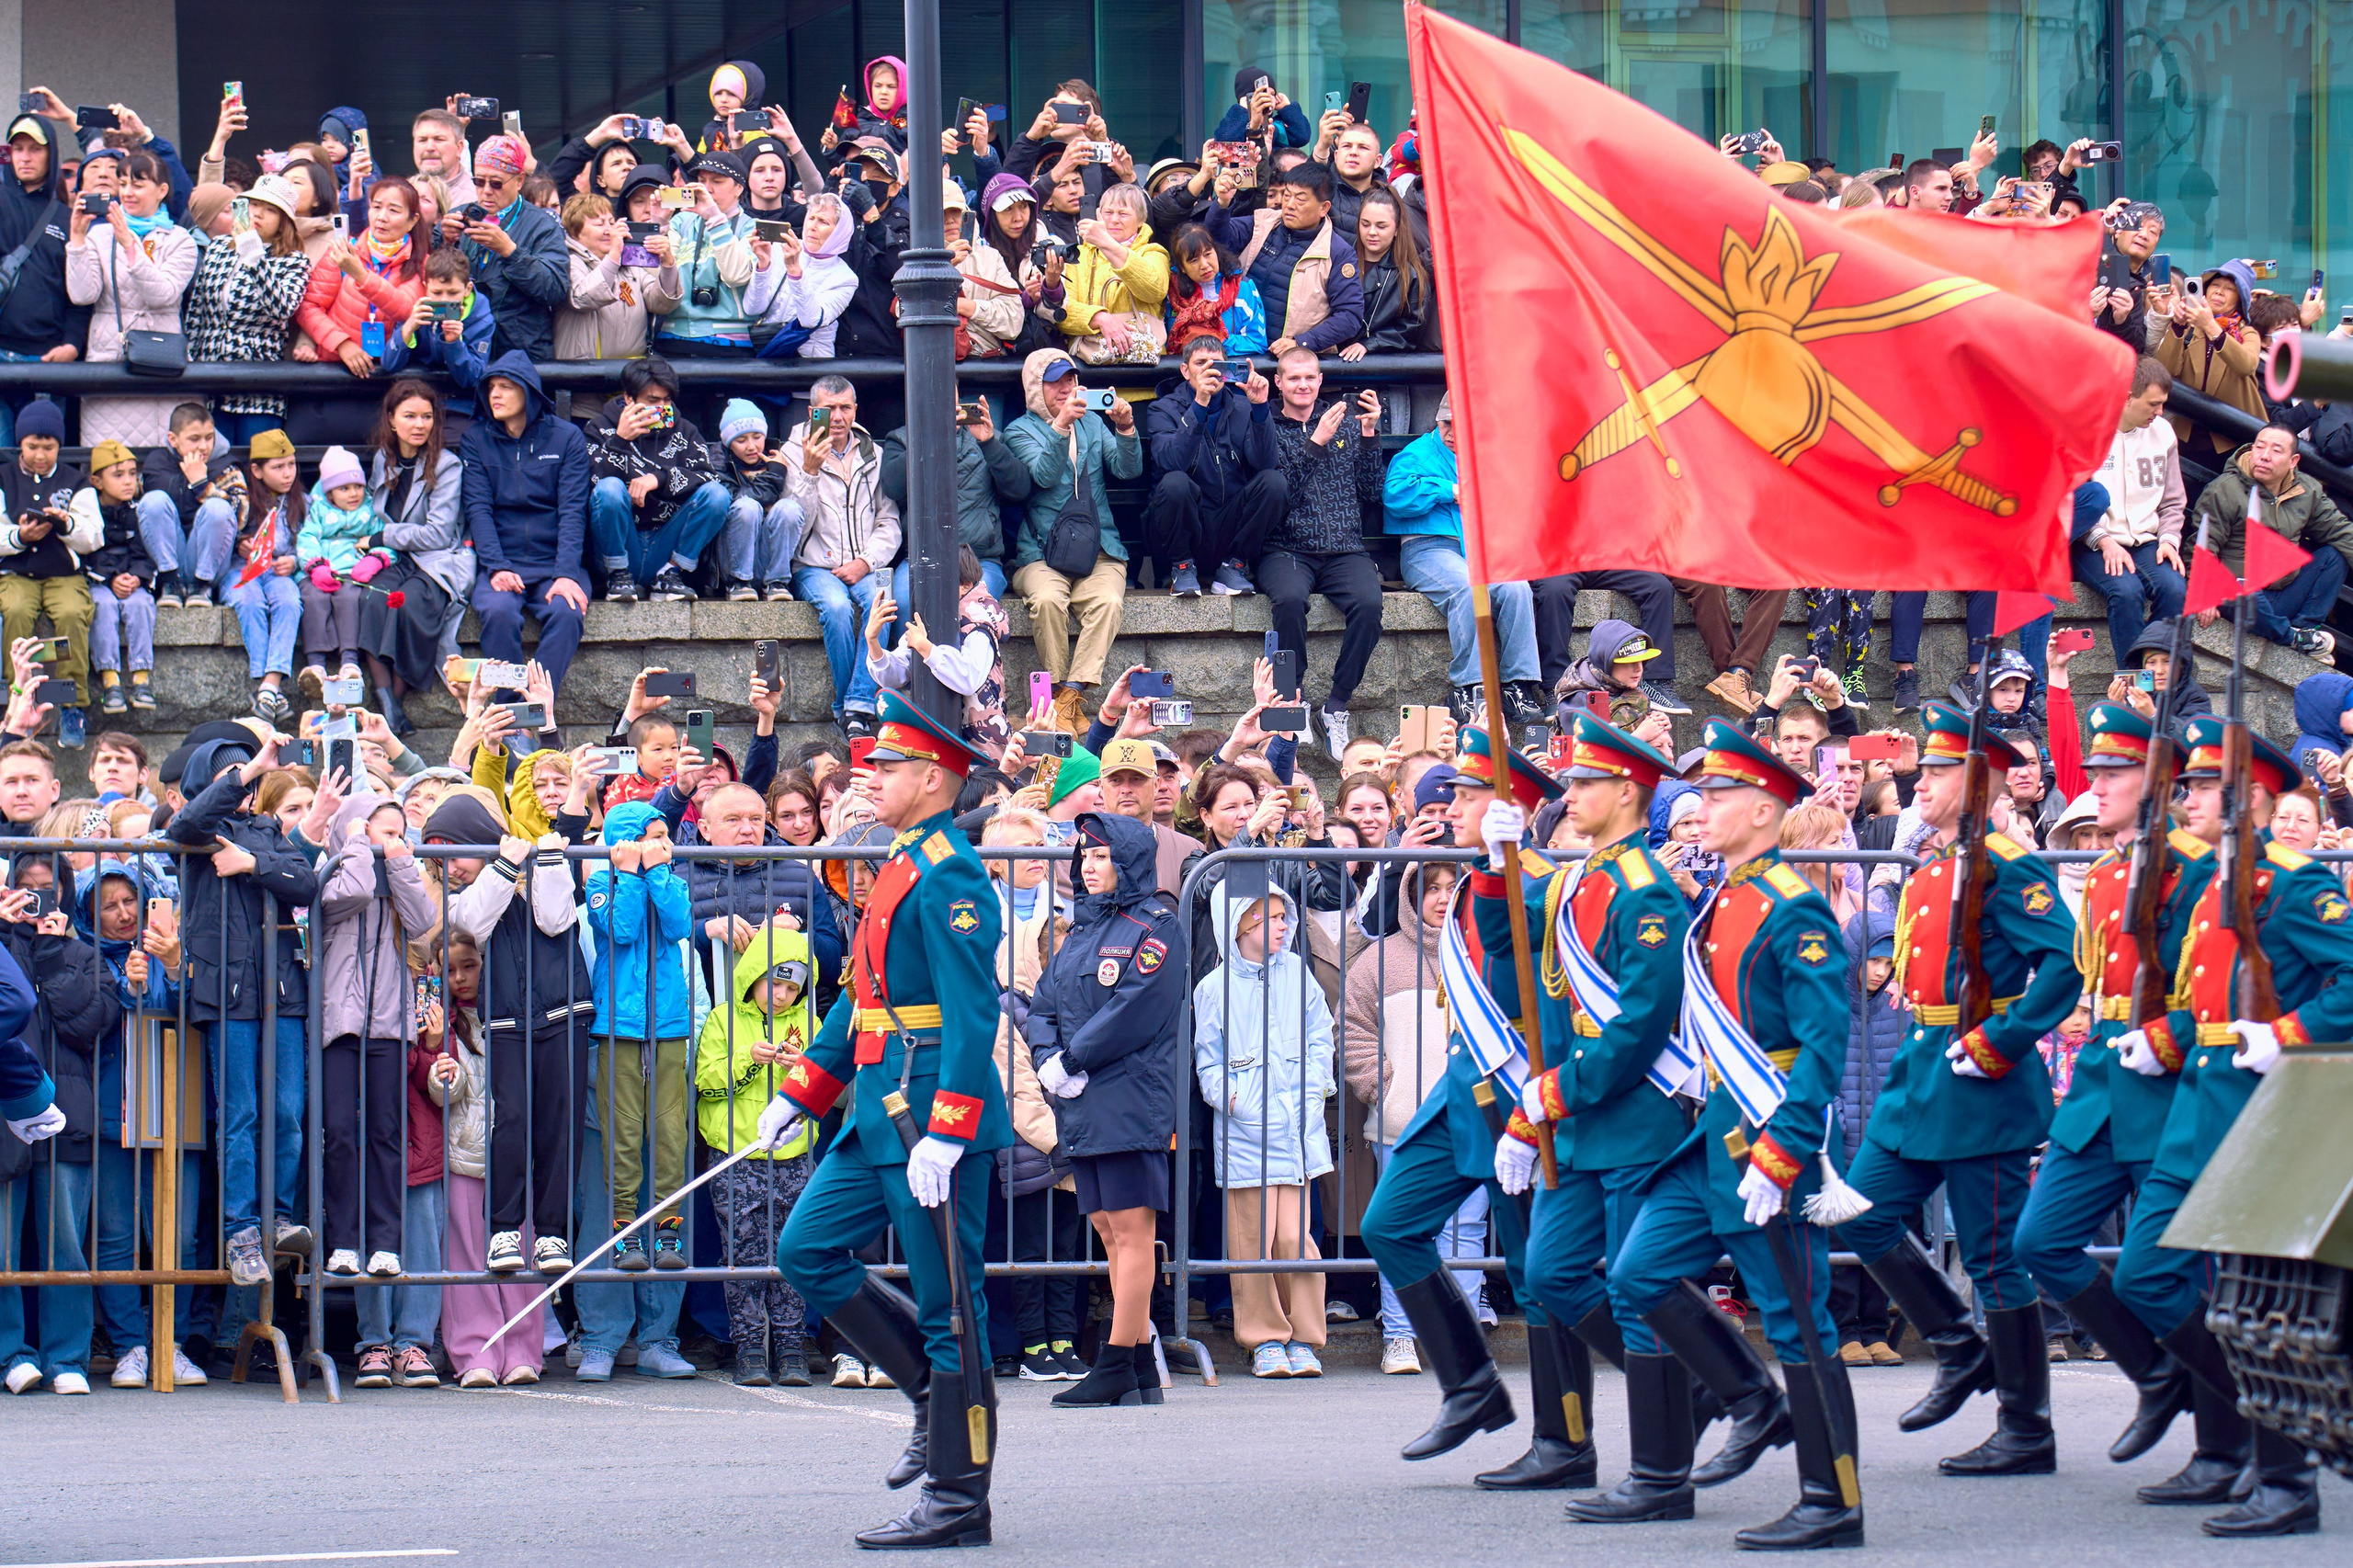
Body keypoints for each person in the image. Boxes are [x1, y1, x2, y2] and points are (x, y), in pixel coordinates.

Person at [1604, 719, 1861, 1548]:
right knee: (1640, 1275)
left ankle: (1834, 1500)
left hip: (1767, 1140)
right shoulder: (1724, 895)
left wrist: (1787, 1148)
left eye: (1718, 795)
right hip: (1714, 1135)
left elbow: (1824, 1044)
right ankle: (1753, 1401)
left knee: (1799, 1321)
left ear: (1762, 811)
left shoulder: (1794, 908)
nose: (1701, 805)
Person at [765, 691, 1009, 1550]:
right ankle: (925, 1394)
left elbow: (972, 1013)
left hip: (928, 1114)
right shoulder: (903, 858)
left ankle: (958, 1497)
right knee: (806, 1251)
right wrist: (799, 1093)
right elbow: (862, 1000)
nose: (873, 779)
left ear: (936, 780)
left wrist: (950, 1128)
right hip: (877, 1109)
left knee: (951, 1307)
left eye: (890, 767)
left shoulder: (949, 870)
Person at [2109, 720, 2353, 1536]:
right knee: (2143, 1276)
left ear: (2247, 799)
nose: (2184, 799)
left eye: (2202, 788)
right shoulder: (2215, 883)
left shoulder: (2294, 884)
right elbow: (2201, 997)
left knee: (2260, 1305)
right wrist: (2166, 1037)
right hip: (2197, 1108)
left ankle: (2285, 1480)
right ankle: (2256, 1425)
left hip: (2264, 1108)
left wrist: (2285, 1034)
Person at [1495, 714, 1742, 1508]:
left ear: (1626, 792)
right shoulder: (1576, 878)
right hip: (1587, 1119)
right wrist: (1498, 859)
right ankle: (1697, 1384)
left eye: (1581, 783)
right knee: (1554, 1276)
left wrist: (1553, 1096)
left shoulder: (1646, 891)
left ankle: (1660, 1473)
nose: (1568, 795)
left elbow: (1640, 1022)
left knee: (1640, 1294)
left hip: (1637, 1114)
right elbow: (1509, 937)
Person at [1834, 703, 2081, 1478]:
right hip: (1925, 1067)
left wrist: (2004, 1039)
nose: (1923, 782)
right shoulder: (1936, 864)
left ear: (1977, 783)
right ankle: (1955, 1342)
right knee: (1863, 1217)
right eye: (1925, 769)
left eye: (1940, 772)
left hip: (1983, 1077)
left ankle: (2026, 1427)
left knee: (1994, 1257)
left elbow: (2064, 966)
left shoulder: (2008, 866)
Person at [2012, 700, 2221, 1488]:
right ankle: (2157, 1374)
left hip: (2169, 1083)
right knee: (2042, 1242)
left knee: (2175, 1273)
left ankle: (2224, 1436)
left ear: (2158, 782)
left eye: (2115, 771)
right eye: (2093, 769)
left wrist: (2174, 1036)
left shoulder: (2197, 872)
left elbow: (2218, 988)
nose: (2096, 783)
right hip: (2101, 1081)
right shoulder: (2103, 874)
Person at [1357, 725, 1563, 1471]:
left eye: (1473, 795)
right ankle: (1471, 1386)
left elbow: (1527, 956)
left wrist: (1509, 867)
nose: (1456, 806)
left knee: (1543, 1277)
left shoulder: (1535, 881)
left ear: (1514, 808)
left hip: (1519, 1096)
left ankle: (1562, 1438)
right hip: (1462, 1087)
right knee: (1390, 1224)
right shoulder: (1476, 876)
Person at [1029, 809, 1187, 1404]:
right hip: (1085, 1101)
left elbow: (1137, 1008)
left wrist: (1072, 1061)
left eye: (1101, 855)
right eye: (1084, 856)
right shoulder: (1080, 933)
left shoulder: (1156, 926)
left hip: (1127, 1095)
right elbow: (1042, 1003)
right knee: (1105, 1226)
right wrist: (1047, 1055)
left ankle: (1119, 1359)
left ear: (1127, 861)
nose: (1090, 866)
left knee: (1131, 1233)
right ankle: (1140, 1362)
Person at [162, 733, 320, 1289]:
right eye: (237, 778)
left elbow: (306, 882)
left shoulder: (266, 833)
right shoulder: (199, 836)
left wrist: (253, 863)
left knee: (287, 1112)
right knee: (241, 1116)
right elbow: (182, 826)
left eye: (254, 779)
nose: (250, 786)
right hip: (227, 998)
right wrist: (249, 768)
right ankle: (241, 1230)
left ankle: (277, 1218)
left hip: (282, 995)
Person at [1195, 881, 1336, 1380]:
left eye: (1283, 917)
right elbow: (1207, 1061)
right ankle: (1264, 1337)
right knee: (1251, 1237)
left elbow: (1322, 1033)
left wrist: (1316, 1083)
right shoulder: (1213, 988)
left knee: (1297, 1239)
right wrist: (1235, 1100)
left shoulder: (1298, 974)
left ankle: (1304, 1333)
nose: (1282, 926)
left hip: (1296, 1126)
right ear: (1241, 926)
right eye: (1270, 918)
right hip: (1246, 1130)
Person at [315, 793, 437, 1278]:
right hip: (341, 1022)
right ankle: (344, 1241)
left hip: (389, 1021)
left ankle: (386, 1243)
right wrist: (357, 850)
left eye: (399, 832)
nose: (392, 841)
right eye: (380, 830)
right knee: (341, 1132)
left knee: (386, 1131)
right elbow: (354, 895)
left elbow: (423, 920)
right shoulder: (334, 874)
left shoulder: (399, 873)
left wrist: (402, 862)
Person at [699, 926, 822, 1386]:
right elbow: (705, 1082)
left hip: (795, 1156)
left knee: (790, 1251)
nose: (783, 995)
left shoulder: (810, 1024)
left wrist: (803, 1069)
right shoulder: (722, 1019)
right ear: (751, 976)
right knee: (743, 1254)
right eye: (775, 982)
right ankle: (750, 1347)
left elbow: (829, 1089)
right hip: (736, 1156)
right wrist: (748, 1060)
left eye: (793, 987)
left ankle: (790, 1346)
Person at [1381, 392, 1541, 725]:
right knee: (1468, 590)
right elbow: (1395, 496)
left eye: (1461, 426)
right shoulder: (1417, 453)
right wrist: (1450, 490)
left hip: (1480, 549)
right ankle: (1469, 687)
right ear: (1436, 422)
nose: (1453, 433)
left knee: (1517, 588)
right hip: (1428, 549)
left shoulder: (1488, 457)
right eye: (1446, 424)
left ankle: (1518, 684)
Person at [1003, 350, 1141, 730]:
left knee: (1110, 601)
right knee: (1047, 600)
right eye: (1054, 382)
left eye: (1070, 380)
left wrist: (1126, 428)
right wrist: (1060, 426)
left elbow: (1128, 469)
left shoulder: (1093, 423)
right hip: (1041, 553)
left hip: (1099, 550)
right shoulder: (1018, 430)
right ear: (1035, 388)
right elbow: (1043, 477)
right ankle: (1057, 693)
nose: (1065, 389)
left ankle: (1068, 697)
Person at [1263, 347, 1387, 758]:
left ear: (1320, 381)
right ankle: (1291, 699)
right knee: (1289, 599)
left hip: (1344, 547)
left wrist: (1370, 436)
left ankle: (1335, 705)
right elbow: (1280, 496)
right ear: (1279, 382)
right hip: (1285, 546)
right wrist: (1315, 443)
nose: (1303, 385)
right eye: (1294, 378)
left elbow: (1372, 492)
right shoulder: (1266, 426)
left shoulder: (1346, 425)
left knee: (1370, 603)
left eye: (1310, 378)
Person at [460, 353, 591, 697]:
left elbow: (573, 510)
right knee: (498, 612)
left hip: (555, 564)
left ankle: (534, 705)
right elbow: (478, 509)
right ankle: (511, 716)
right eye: (491, 388)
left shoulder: (567, 438)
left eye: (506, 387)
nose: (495, 395)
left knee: (567, 612)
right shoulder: (475, 439)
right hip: (503, 561)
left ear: (528, 392)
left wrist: (566, 572)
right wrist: (496, 566)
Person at [788, 376, 900, 736]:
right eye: (827, 409)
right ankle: (848, 707)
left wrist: (866, 562)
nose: (837, 416)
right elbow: (792, 527)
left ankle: (857, 705)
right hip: (813, 564)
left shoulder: (875, 455)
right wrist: (809, 471)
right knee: (836, 609)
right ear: (812, 411)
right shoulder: (792, 451)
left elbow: (889, 522)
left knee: (883, 603)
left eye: (844, 408)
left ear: (855, 410)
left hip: (866, 563)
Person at [64, 148, 199, 449]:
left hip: (162, 359)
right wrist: (76, 239)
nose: (127, 192)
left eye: (138, 185)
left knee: (165, 459)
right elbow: (82, 295)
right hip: (111, 359)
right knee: (110, 464)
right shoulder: (99, 235)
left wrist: (129, 244)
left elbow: (162, 294)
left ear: (162, 190)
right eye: (122, 183)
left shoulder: (181, 240)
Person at [2187, 424, 2353, 657]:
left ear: (2293, 461)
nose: (2264, 456)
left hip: (2281, 592)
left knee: (2334, 557)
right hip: (2237, 595)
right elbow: (2202, 546)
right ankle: (2293, 638)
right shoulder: (2225, 489)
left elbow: (2339, 529)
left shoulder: (2306, 489)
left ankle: (2304, 629)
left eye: (2276, 451)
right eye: (2259, 447)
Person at [363, 380, 474, 729]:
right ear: (392, 420)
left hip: (438, 558)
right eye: (409, 416)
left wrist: (383, 535)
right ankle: (388, 705)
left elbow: (438, 533)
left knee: (408, 603)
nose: (419, 424)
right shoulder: (383, 458)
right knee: (371, 597)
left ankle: (393, 703)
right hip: (395, 557)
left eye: (427, 417)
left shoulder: (446, 465)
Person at [1144, 336, 1286, 598]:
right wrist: (1199, 404)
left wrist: (1260, 409)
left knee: (1274, 482)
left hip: (1229, 525)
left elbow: (1266, 463)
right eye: (1201, 363)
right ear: (1185, 371)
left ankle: (1235, 566)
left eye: (1217, 364)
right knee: (1175, 482)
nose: (1210, 370)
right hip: (1186, 524)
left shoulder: (1243, 407)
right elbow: (1171, 461)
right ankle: (1182, 568)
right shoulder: (1162, 409)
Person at [585, 356, 732, 604]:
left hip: (666, 545)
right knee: (609, 489)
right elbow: (591, 485)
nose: (662, 407)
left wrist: (660, 479)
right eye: (652, 401)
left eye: (667, 400)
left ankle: (671, 575)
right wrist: (620, 441)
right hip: (619, 546)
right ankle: (618, 576)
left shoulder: (685, 429)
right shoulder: (598, 428)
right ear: (629, 399)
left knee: (718, 494)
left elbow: (708, 476)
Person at [881, 382, 1029, 609]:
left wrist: (989, 444)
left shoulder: (987, 435)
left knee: (972, 607)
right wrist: (927, 438)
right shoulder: (902, 439)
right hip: (921, 559)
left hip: (980, 559)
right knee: (902, 603)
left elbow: (1019, 490)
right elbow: (892, 487)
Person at [1, 411, 99, 748]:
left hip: (63, 573)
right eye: (32, 447)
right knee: (15, 611)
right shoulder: (4, 477)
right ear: (19, 446)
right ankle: (20, 701)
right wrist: (19, 536)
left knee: (72, 614)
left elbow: (93, 536)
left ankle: (70, 704)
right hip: (17, 571)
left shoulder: (76, 481)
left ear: (60, 446)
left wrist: (66, 524)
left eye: (49, 447)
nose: (40, 456)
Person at [1199, 160, 1364, 358]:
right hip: (1241, 350)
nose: (1289, 205)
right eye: (1287, 195)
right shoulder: (1262, 223)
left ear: (1324, 208)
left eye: (1301, 200)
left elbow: (1349, 316)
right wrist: (1222, 204)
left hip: (1293, 364)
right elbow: (1214, 242)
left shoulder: (1338, 252)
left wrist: (1302, 342)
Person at [2080, 358, 2188, 657]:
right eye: (2153, 403)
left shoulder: (2164, 432)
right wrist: (2102, 540)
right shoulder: (2087, 430)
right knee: (2127, 593)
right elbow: (2072, 500)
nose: (2160, 411)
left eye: (2163, 403)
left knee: (2174, 589)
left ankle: (2157, 677)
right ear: (2127, 398)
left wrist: (2169, 541)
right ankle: (2130, 684)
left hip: (2146, 540)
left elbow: (2173, 501)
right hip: (2091, 542)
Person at [0, 113, 89, 449]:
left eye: (35, 149)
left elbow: (80, 296)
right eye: (17, 148)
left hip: (47, 360)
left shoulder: (68, 218)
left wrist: (72, 344)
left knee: (44, 464)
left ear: (51, 154)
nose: (24, 156)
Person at [451, 135, 569, 362]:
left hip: (521, 354)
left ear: (519, 180)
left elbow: (555, 289)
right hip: (465, 348)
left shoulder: (542, 224)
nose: (486, 191)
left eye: (496, 183)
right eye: (478, 181)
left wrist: (511, 252)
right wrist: (444, 241)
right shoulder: (458, 216)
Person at [74, 440, 156, 716]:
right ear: (97, 480)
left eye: (133, 474)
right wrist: (111, 579)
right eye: (118, 475)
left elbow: (146, 551)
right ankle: (110, 680)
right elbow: (88, 554)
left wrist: (136, 577)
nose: (128, 482)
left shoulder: (138, 509)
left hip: (133, 580)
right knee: (102, 606)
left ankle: (141, 679)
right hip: (99, 581)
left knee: (141, 604)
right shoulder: (88, 510)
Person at [650, 149, 757, 358]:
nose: (707, 190)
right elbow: (655, 283)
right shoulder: (681, 222)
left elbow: (736, 276)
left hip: (728, 342)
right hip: (672, 338)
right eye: (701, 181)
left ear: (739, 188)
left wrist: (715, 221)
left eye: (717, 182)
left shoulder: (749, 227)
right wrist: (659, 224)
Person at [135, 401, 243, 608]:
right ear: (173, 440)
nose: (203, 446)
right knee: (153, 500)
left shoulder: (226, 466)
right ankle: (169, 584)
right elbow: (146, 513)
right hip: (166, 562)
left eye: (209, 438)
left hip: (209, 565)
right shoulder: (156, 463)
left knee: (218, 508)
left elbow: (240, 518)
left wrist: (202, 485)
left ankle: (202, 587)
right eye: (194, 439)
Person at [2155, 261, 2265, 463]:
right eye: (2215, 286)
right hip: (2188, 435)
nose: (2219, 292)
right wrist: (2178, 328)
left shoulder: (2246, 333)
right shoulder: (2189, 329)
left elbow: (2247, 364)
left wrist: (2212, 328)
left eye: (2230, 288)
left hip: (2231, 439)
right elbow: (2165, 371)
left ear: (2240, 298)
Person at [555, 190, 672, 361]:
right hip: (582, 375)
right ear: (575, 232)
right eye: (599, 224)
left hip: (630, 374)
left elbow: (662, 303)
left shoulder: (629, 264)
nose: (609, 230)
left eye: (611, 222)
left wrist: (668, 264)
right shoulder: (569, 261)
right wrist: (614, 255)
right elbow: (582, 298)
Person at [710, 399, 803, 602]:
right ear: (728, 443)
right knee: (747, 506)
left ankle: (777, 581)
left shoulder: (779, 457)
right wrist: (775, 475)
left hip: (766, 557)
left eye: (757, 437)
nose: (751, 446)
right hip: (732, 557)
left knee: (789, 507)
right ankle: (739, 583)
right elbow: (734, 501)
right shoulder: (718, 462)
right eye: (741, 440)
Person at [378, 246, 494, 392]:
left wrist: (454, 344)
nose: (444, 299)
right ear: (426, 288)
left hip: (458, 398)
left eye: (453, 293)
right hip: (418, 392)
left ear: (467, 289)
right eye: (437, 292)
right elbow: (389, 364)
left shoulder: (481, 320)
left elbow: (474, 378)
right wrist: (407, 329)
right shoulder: (418, 308)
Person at [1345, 186, 1434, 357]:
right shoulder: (1340, 258)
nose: (1371, 232)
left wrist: (1370, 344)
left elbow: (1411, 328)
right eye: (1365, 224)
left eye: (1381, 226)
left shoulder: (1411, 275)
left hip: (1381, 370)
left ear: (1397, 229)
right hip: (1333, 365)